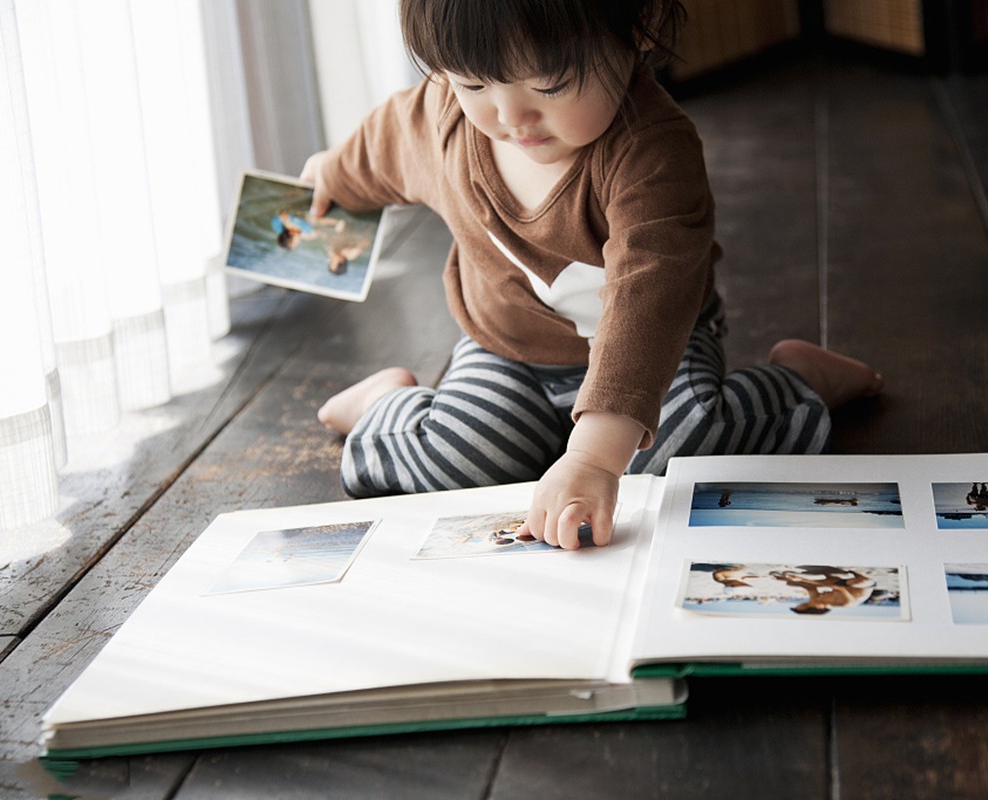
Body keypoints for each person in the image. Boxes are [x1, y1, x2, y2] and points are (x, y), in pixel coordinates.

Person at [303, 0, 883, 550]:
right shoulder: (445, 120)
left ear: (631, 36)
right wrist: (333, 173)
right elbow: (382, 146)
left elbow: (647, 303)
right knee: (463, 458)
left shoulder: (652, 153)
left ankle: (797, 384)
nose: (510, 117)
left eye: (549, 85)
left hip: (656, 351)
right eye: (474, 83)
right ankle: (385, 404)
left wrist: (595, 459)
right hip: (509, 350)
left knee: (683, 449)